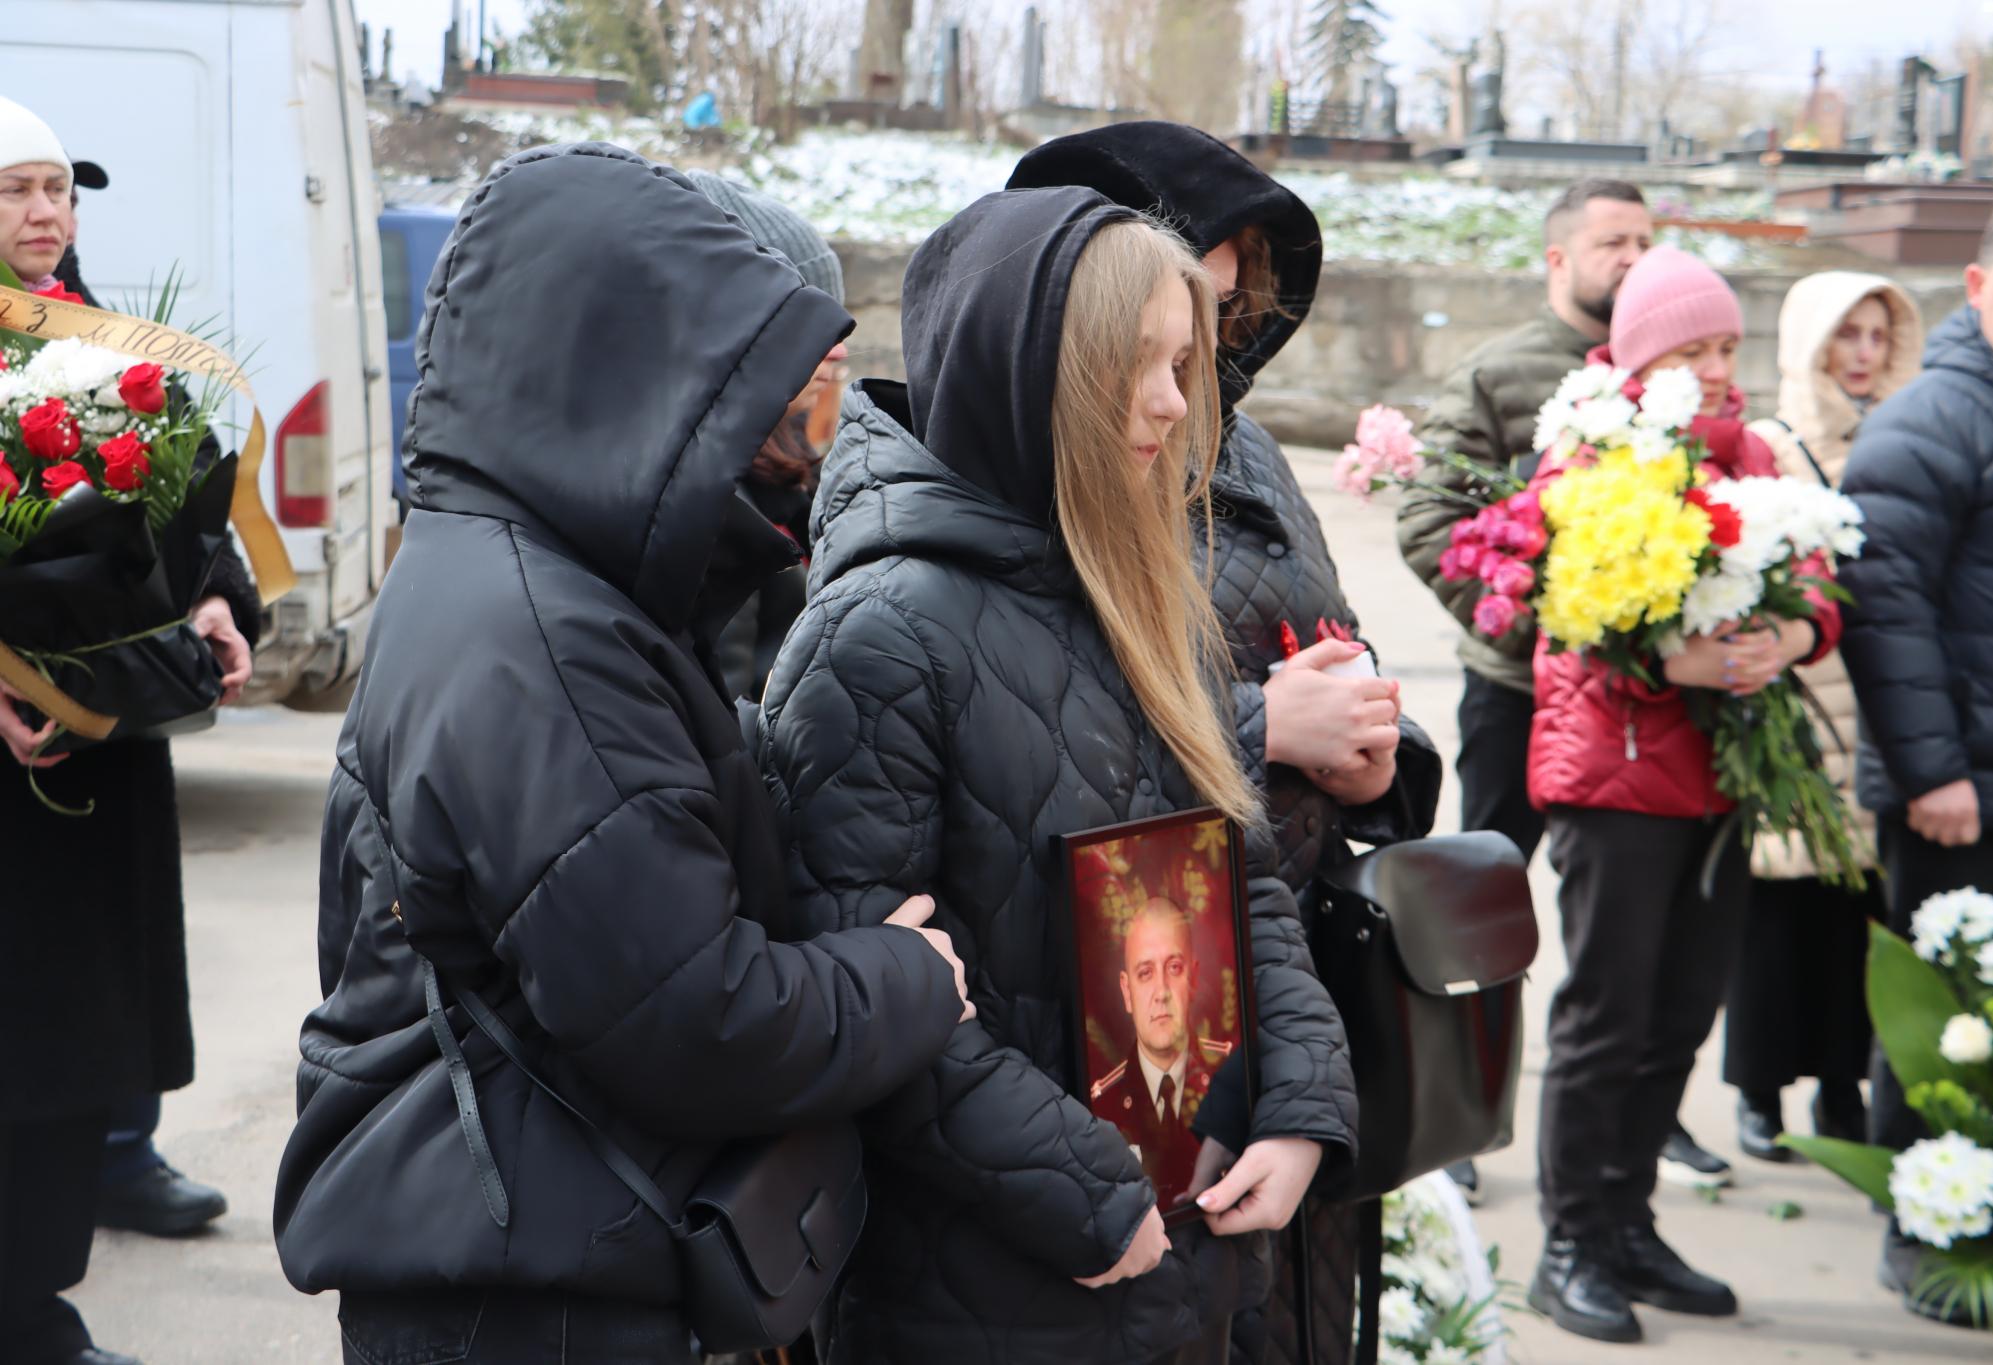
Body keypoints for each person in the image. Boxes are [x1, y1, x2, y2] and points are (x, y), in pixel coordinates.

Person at [271, 144, 972, 1365]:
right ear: (645, 366)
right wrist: (905, 978)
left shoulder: (513, 567)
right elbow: (692, 1022)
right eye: (751, 379)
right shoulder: (548, 643)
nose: (786, 426)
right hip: (528, 1290)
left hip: (509, 1242)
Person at [754, 187, 1356, 1365]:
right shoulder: (881, 634)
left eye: (1182, 365)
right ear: (1028, 374)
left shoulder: (1145, 590)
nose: (1174, 403)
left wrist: (1296, 1107)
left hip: (1186, 1239)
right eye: (1137, 366)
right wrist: (1090, 1192)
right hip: (992, 1283)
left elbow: (1241, 880)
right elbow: (863, 992)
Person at [1007, 120, 1441, 1365]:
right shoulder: (1030, 461)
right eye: (1170, 303)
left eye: (1223, 308)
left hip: (1283, 976)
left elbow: (1333, 640)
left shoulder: (1241, 447)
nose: (1198, 345)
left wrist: (1377, 756)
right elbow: (1036, 727)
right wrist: (1259, 728)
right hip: (1130, 1010)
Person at [1526, 245, 1842, 1345]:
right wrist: (1669, 660)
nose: (1715, 369)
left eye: (1725, 346)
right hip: (1614, 778)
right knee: (1605, 1021)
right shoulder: (1590, 449)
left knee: (1678, 1017)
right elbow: (1565, 610)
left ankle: (1627, 1225)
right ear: (1636, 361)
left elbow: (1821, 578)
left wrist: (1787, 637)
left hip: (1719, 777)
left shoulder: (1750, 449)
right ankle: (1568, 1243)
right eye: (1690, 351)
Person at [1398, 181, 1729, 1196]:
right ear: (1556, 259)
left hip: (1648, 715)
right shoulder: (1500, 374)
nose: (1632, 255)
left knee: (1640, 937)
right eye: (1610, 240)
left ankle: (1646, 1117)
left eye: (1645, 239)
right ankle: (1456, 1118)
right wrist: (1551, 630)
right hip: (1517, 696)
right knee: (1482, 912)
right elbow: (1429, 520)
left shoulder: (1683, 376)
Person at [0, 97, 259, 1365]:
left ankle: (34, 1310)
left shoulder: (106, 345)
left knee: (66, 1065)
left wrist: (215, 599)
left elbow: (191, 513)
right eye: (16, 190)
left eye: (58, 189)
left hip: (91, 771)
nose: (45, 212)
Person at [1841, 192, 1993, 1322]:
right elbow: (1884, 609)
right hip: (1962, 792)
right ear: (1977, 287)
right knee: (1941, 1023)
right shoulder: (1928, 420)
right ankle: (1921, 1231)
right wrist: (1930, 773)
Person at [1724, 273, 1922, 1163]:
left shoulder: (1907, 436)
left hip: (1878, 700)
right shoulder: (1770, 443)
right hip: (1795, 700)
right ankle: (1758, 1091)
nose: (1864, 353)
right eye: (1848, 334)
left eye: (1880, 335)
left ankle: (1843, 1086)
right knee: (1777, 904)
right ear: (1811, 342)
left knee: (1858, 907)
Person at [683, 171, 850, 704]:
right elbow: (725, 708)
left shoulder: (781, 473)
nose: (838, 352)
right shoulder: (710, 504)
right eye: (810, 324)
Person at [1091, 899, 1228, 1198]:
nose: (1161, 992)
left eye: (1174, 968)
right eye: (1145, 973)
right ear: (1127, 992)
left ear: (1193, 979)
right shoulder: (1101, 1107)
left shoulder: (1230, 1076)